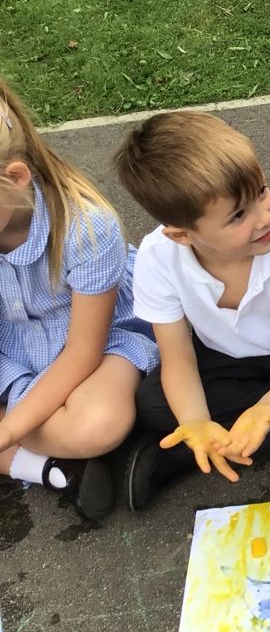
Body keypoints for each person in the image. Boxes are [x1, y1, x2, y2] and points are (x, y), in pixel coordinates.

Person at [113, 111, 270, 510]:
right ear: (182, 234)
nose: (266, 216)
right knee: (153, 402)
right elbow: (178, 357)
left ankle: (186, 455)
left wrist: (268, 408)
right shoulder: (157, 256)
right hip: (222, 355)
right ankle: (253, 431)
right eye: (237, 216)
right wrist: (194, 419)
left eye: (262, 191)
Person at [0, 79, 158, 521]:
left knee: (98, 425)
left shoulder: (87, 227)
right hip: (15, 349)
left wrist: (12, 426)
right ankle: (47, 467)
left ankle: (29, 453)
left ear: (14, 178)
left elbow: (82, 352)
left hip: (99, 346)